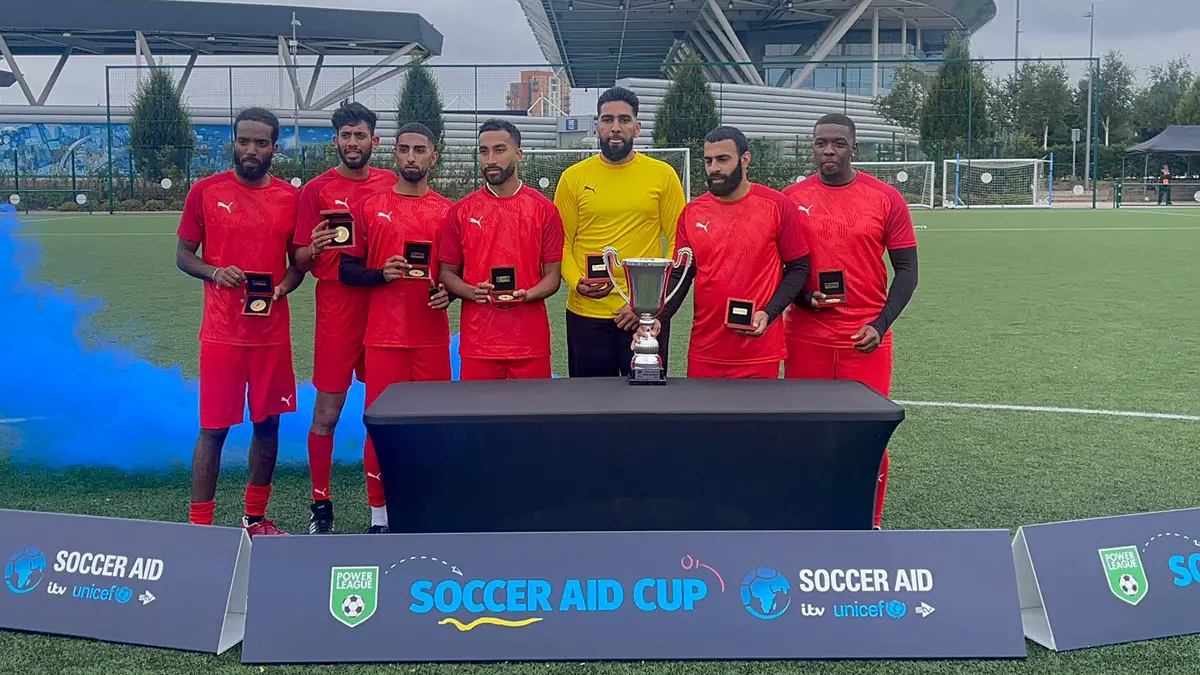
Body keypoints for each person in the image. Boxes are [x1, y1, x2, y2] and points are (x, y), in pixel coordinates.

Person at [782, 113, 919, 530]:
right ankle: (807, 516)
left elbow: (907, 271)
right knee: (806, 434)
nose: (828, 150)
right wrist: (806, 299)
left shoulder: (885, 198)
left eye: (838, 143)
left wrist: (880, 324)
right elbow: (783, 268)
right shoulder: (790, 198)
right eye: (821, 142)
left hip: (866, 339)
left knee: (867, 436)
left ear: (853, 148)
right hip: (806, 335)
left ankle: (868, 521)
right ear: (812, 146)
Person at [175, 107, 305, 537]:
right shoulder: (206, 192)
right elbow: (183, 256)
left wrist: (285, 285)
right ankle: (201, 529)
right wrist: (215, 272)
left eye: (261, 142)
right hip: (221, 335)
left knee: (268, 425)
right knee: (212, 430)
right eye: (244, 141)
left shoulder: (290, 198)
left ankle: (254, 519)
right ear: (233, 142)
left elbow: (296, 266)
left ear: (274, 147)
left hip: (270, 336)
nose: (251, 150)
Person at [337, 123, 454, 533]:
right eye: (404, 149)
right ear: (395, 155)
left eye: (419, 150)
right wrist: (380, 274)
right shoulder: (369, 207)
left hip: (432, 339)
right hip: (383, 338)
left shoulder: (448, 211)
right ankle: (380, 517)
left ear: (432, 158)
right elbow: (346, 269)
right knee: (381, 428)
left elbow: (457, 274)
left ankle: (431, 508)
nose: (410, 157)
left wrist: (449, 295)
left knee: (433, 428)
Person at [292, 101, 397, 534]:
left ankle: (383, 509)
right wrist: (313, 248)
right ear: (335, 140)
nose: (353, 143)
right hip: (337, 308)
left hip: (383, 308)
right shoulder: (316, 189)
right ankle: (321, 505)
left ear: (374, 139)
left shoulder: (391, 182)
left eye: (360, 135)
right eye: (345, 136)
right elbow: (298, 258)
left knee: (384, 411)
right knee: (328, 411)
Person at [646, 126, 810, 378]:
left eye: (723, 159)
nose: (714, 168)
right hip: (705, 349)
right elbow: (680, 275)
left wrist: (769, 313)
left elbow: (798, 268)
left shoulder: (776, 205)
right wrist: (659, 316)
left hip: (759, 351)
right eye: (709, 161)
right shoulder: (692, 212)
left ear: (745, 160)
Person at [554, 86, 686, 378]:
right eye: (607, 119)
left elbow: (679, 242)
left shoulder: (662, 175)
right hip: (586, 314)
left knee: (645, 406)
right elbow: (559, 243)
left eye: (624, 120)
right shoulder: (573, 178)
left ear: (637, 128)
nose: (616, 128)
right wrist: (577, 282)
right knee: (589, 407)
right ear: (597, 126)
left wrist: (648, 304)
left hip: (644, 317)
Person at [439, 119, 564, 380]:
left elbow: (553, 277)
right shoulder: (460, 211)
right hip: (479, 343)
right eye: (483, 151)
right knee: (480, 420)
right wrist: (472, 292)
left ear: (518, 154)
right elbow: (447, 274)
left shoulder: (545, 209)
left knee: (533, 417)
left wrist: (527, 294)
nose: (490, 159)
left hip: (530, 341)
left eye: (499, 150)